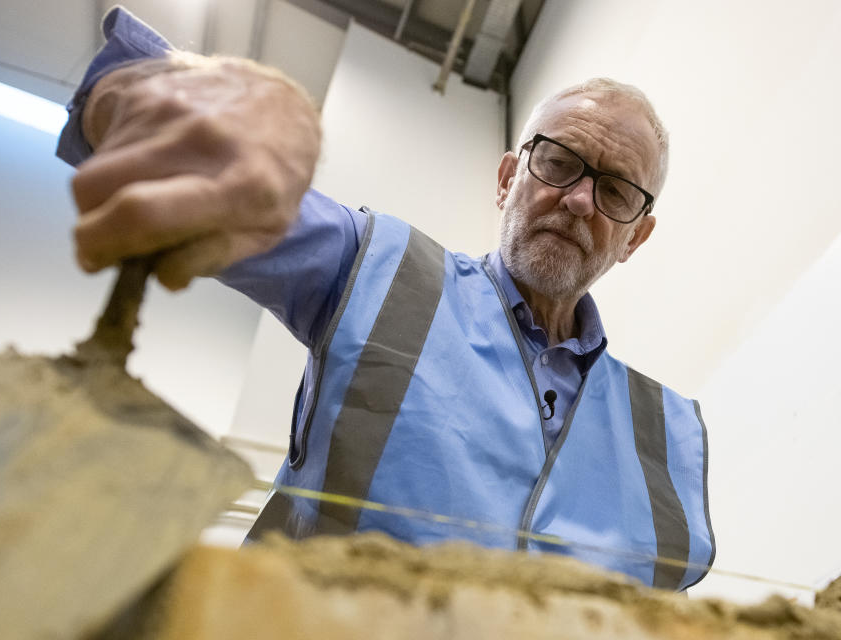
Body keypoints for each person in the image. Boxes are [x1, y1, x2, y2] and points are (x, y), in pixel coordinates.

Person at [59, 7, 715, 591]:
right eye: (559, 162)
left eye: (617, 192)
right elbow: (229, 184)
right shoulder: (376, 268)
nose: (577, 201)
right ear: (509, 177)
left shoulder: (667, 437)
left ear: (636, 236)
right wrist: (156, 99)